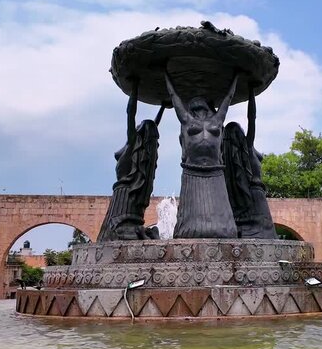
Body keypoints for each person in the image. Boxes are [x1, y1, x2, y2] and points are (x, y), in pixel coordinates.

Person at [165, 72, 239, 238]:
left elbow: (228, 98)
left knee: (224, 225)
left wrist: (236, 76)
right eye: (195, 104)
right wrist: (165, 74)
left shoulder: (217, 120)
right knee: (190, 225)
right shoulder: (186, 119)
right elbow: (174, 96)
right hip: (193, 170)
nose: (198, 105)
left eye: (201, 103)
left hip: (215, 170)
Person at [98, 78, 166, 241]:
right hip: (129, 193)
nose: (137, 124)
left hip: (124, 194)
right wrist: (162, 106)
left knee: (123, 226)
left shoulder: (134, 144)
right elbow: (149, 124)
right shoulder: (136, 146)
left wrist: (135, 87)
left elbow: (131, 113)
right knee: (125, 225)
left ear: (140, 131)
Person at [223, 82, 278, 239]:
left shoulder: (227, 154)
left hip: (239, 198)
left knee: (245, 231)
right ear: (240, 134)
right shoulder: (247, 146)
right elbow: (251, 118)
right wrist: (251, 92)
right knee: (266, 235)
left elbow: (218, 124)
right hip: (255, 194)